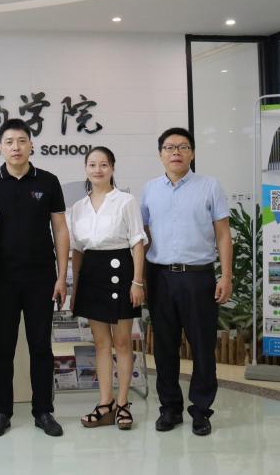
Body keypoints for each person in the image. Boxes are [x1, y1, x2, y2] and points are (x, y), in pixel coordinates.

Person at [141, 127, 232, 436]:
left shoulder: (209, 186)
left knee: (203, 346)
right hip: (160, 276)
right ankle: (170, 408)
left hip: (198, 277)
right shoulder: (150, 189)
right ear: (160, 155)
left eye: (182, 147)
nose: (176, 152)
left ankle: (201, 410)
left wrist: (226, 276)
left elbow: (223, 234)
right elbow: (143, 236)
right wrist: (141, 279)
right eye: (169, 147)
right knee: (164, 347)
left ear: (192, 153)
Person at [0, 118, 68, 438]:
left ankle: (43, 410)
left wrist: (61, 276)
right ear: (0, 147)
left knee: (40, 347)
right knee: (2, 348)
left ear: (31, 145)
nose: (15, 147)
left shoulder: (48, 181)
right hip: (2, 279)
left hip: (41, 278)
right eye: (9, 142)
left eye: (21, 141)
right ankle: (2, 412)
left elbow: (60, 229)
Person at [68, 146, 147, 431]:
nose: (98, 170)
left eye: (103, 164)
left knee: (122, 342)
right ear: (86, 169)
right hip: (92, 273)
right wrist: (76, 288)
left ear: (112, 168)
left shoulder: (125, 201)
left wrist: (137, 282)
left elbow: (137, 242)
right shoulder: (78, 207)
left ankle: (123, 404)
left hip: (120, 271)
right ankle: (105, 403)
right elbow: (77, 250)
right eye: (92, 164)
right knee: (101, 343)